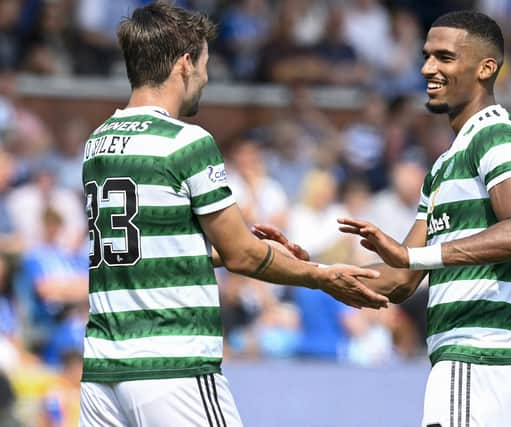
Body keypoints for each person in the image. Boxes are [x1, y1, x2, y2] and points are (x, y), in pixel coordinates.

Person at [78, 3, 388, 427]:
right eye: (205, 64)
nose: (206, 78)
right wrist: (319, 275)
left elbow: (152, 250)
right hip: (173, 365)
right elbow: (241, 255)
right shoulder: (186, 141)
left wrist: (252, 248)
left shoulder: (98, 142)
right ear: (185, 63)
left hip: (102, 373)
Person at [255, 10, 511, 427]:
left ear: (486, 68)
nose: (428, 68)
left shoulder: (494, 132)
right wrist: (313, 270)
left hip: (480, 355)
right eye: (427, 56)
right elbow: (400, 279)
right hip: (492, 360)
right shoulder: (445, 164)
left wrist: (417, 258)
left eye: (445, 58)